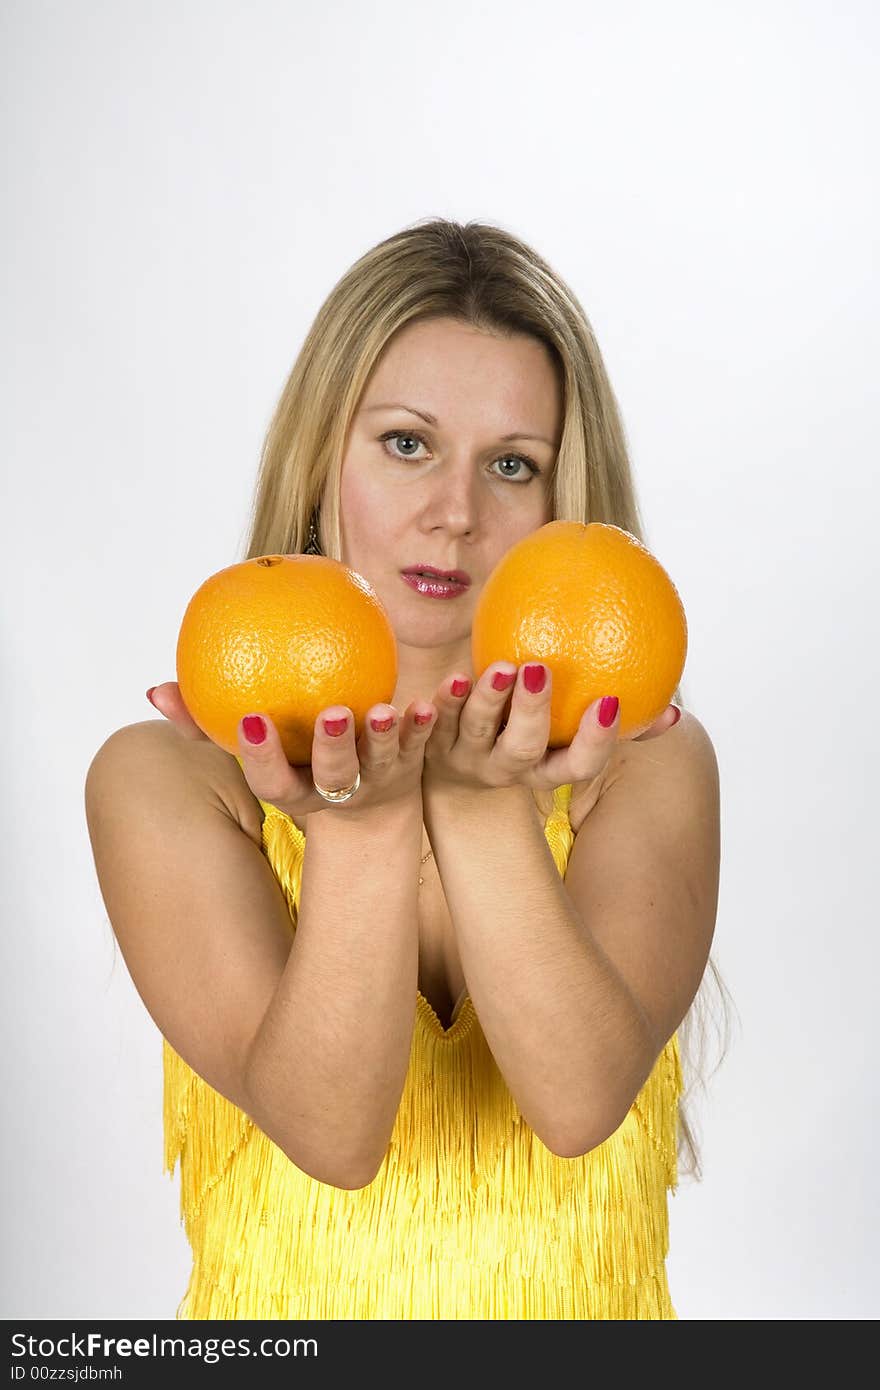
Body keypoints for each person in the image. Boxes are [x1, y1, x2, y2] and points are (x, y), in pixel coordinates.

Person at [85, 217, 729, 1321]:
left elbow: (575, 1106)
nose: (454, 513)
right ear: (319, 457)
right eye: (405, 443)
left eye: (512, 465)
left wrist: (478, 813)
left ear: (560, 505)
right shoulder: (166, 779)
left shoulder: (645, 762)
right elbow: (331, 1136)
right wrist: (360, 825)